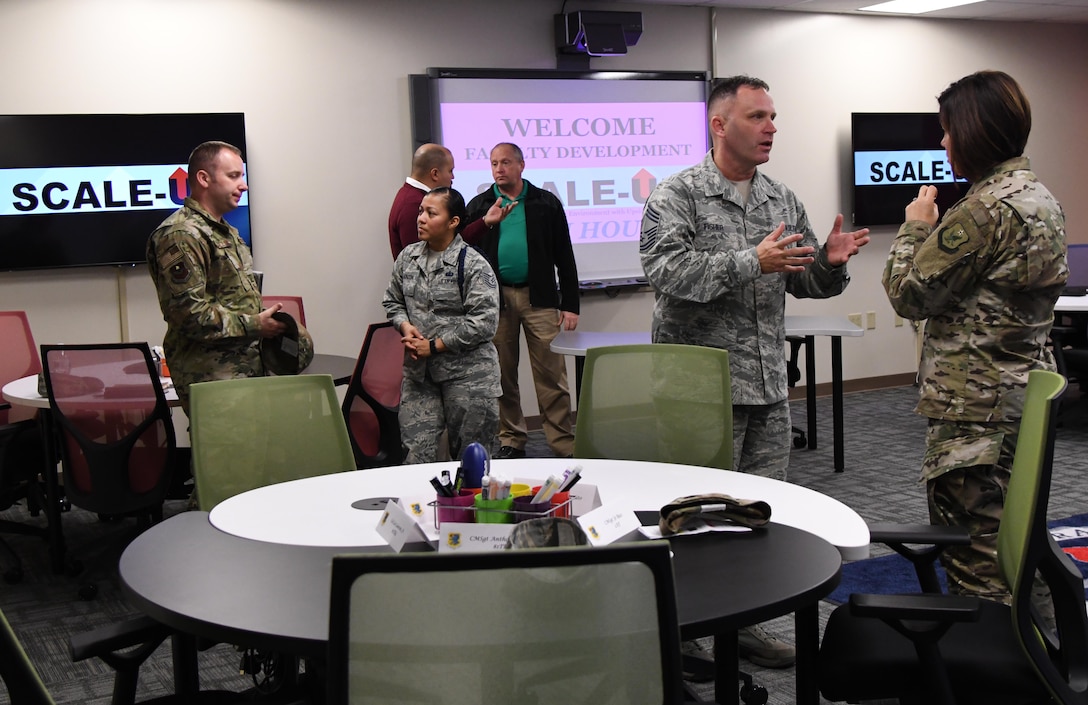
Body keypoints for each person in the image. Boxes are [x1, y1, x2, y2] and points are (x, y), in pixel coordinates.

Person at [639, 75, 870, 669]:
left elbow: (806, 280)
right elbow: (666, 272)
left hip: (768, 386)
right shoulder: (676, 194)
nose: (771, 127)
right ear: (720, 125)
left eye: (773, 116)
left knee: (757, 519)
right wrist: (751, 260)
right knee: (690, 518)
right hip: (700, 390)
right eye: (757, 116)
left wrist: (831, 264)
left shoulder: (781, 199)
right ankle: (684, 633)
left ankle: (744, 624)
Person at [883, 70, 1067, 604]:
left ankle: (1002, 670)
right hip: (1018, 396)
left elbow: (909, 294)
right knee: (1014, 538)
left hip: (974, 411)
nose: (942, 142)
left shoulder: (984, 211)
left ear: (973, 131)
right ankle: (1040, 652)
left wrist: (916, 224)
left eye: (946, 130)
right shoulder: (1039, 198)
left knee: (978, 557)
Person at [147, 141, 287, 414]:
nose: (243, 185)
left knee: (253, 453)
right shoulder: (182, 234)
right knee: (223, 455)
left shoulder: (226, 232)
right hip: (212, 378)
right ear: (204, 178)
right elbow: (190, 315)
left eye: (242, 176)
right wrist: (254, 325)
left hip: (243, 373)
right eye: (234, 176)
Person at [464, 143, 580, 459]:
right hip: (495, 301)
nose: (499, 169)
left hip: (539, 298)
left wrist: (570, 303)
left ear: (521, 165)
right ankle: (511, 439)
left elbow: (564, 256)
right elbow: (463, 251)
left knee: (551, 375)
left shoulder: (546, 203)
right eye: (493, 163)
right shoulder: (480, 205)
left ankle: (562, 442)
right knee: (502, 375)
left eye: (505, 162)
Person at [383, 187, 501, 463]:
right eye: (420, 211)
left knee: (472, 462)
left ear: (453, 222)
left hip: (469, 377)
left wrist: (434, 346)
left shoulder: (472, 264)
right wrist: (404, 326)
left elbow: (484, 322)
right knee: (415, 456)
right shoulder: (408, 258)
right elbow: (392, 301)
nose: (420, 218)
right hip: (420, 377)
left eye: (431, 213)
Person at [388, 143, 456, 259]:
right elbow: (419, 261)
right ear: (435, 174)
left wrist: (484, 222)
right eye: (450, 171)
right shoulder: (413, 204)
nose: (453, 177)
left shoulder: (410, 196)